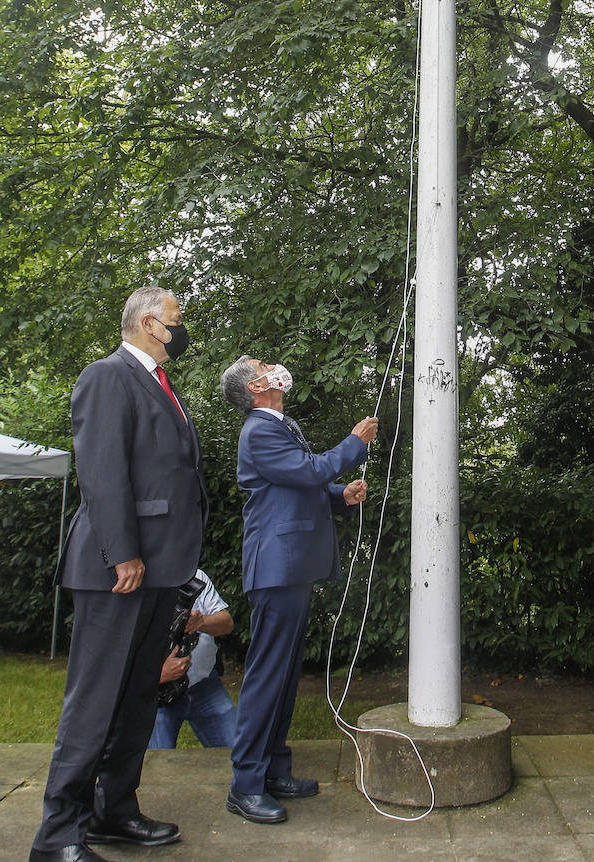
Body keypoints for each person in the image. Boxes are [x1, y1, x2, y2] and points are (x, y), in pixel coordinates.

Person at [30, 286, 208, 862]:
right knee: (95, 702)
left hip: (160, 569)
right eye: (176, 320)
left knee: (137, 697)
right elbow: (101, 469)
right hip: (119, 569)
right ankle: (58, 836)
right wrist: (123, 552)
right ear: (152, 324)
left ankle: (114, 812)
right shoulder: (107, 376)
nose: (181, 330)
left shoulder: (161, 383)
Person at [220, 356, 377, 825]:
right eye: (261, 365)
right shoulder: (260, 429)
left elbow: (296, 482)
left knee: (285, 674)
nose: (273, 367)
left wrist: (339, 495)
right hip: (276, 567)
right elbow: (308, 471)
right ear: (254, 387)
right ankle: (245, 784)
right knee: (268, 673)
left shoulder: (278, 425)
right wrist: (355, 443)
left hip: (289, 564)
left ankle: (273, 770)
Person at [148, 568, 237, 749]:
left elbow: (227, 623)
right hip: (156, 696)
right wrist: (158, 675)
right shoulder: (134, 584)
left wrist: (202, 622)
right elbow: (114, 658)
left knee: (239, 754)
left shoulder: (194, 577)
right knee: (157, 768)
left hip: (205, 685)